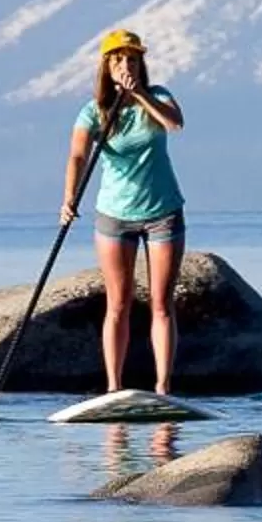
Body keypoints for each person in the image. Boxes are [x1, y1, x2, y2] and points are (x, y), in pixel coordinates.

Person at [61, 28, 187, 395]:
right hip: (115, 214)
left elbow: (174, 123)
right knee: (118, 303)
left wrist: (140, 95)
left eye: (131, 59)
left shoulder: (159, 95)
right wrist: (69, 198)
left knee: (162, 302)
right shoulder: (92, 110)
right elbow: (78, 155)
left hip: (163, 209)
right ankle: (114, 387)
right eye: (118, 59)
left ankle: (163, 386)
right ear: (107, 66)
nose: (125, 64)